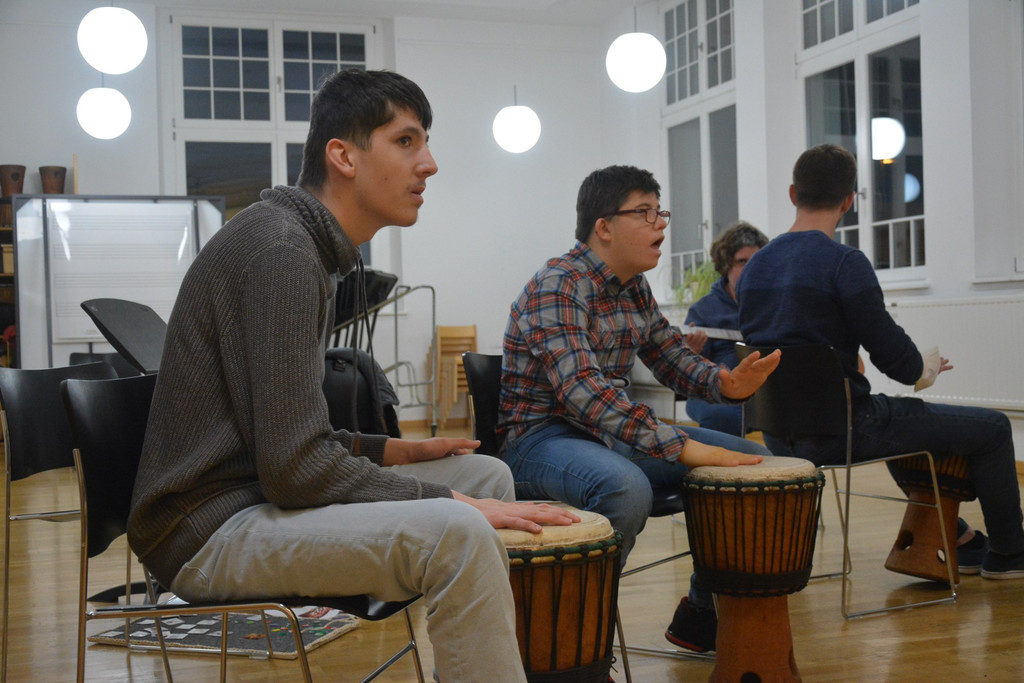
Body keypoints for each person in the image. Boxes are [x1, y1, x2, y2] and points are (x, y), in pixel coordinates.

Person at [127, 69, 578, 683]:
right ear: (343, 157)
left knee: (486, 476)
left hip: (251, 496)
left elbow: (284, 440)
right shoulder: (282, 253)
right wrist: (445, 501)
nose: (429, 164)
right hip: (207, 531)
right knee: (459, 528)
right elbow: (293, 468)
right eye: (406, 141)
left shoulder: (298, 245)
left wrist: (397, 450)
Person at [498, 164, 781, 653]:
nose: (660, 224)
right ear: (604, 227)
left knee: (756, 466)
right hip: (540, 440)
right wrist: (680, 446)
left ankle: (700, 615)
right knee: (625, 489)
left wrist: (727, 384)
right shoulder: (558, 285)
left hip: (607, 437)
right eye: (644, 212)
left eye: (660, 211)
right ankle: (573, 647)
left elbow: (670, 355)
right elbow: (583, 390)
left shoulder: (633, 287)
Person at [737, 143, 1024, 579]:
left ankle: (961, 539)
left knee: (901, 426)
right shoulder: (844, 263)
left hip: (778, 434)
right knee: (994, 428)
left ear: (793, 194)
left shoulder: (755, 267)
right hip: (845, 429)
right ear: (849, 201)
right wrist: (924, 367)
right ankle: (1009, 555)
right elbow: (898, 364)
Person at [682, 220, 770, 436]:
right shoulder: (703, 310)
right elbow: (684, 368)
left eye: (755, 261)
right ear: (726, 265)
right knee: (723, 415)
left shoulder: (772, 305)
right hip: (712, 390)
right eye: (742, 261)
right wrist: (692, 351)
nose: (749, 268)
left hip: (763, 390)